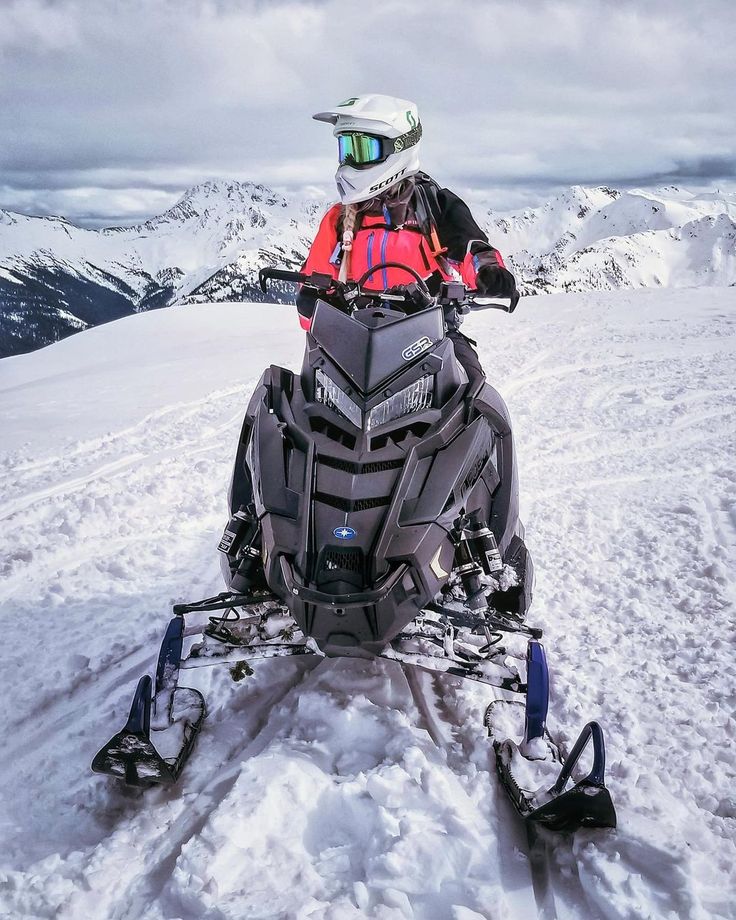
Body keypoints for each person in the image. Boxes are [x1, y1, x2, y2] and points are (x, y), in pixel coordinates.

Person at [296, 93, 517, 388]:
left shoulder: (435, 205)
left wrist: (488, 271)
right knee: (300, 402)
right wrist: (309, 302)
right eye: (346, 148)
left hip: (430, 338)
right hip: (354, 345)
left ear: (398, 148)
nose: (349, 160)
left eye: (360, 148)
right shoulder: (338, 219)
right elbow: (313, 281)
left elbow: (471, 246)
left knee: (474, 394)